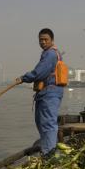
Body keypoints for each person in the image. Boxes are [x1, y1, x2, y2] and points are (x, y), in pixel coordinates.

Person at [15, 28, 64, 158]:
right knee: (41, 121)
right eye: (40, 40)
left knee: (47, 122)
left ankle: (49, 153)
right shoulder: (51, 53)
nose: (42, 42)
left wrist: (24, 78)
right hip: (46, 93)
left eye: (45, 39)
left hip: (50, 93)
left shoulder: (50, 54)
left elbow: (39, 72)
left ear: (52, 40)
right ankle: (47, 148)